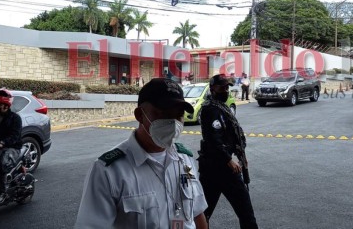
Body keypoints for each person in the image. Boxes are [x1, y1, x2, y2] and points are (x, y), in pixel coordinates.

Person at [75, 78, 208, 229]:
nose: (172, 122)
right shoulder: (109, 171)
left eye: (178, 115)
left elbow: (197, 213)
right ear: (140, 115)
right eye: (164, 114)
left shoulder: (185, 159)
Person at [198, 74, 258, 229]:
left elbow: (234, 135)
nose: (225, 91)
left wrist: (240, 154)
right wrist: (228, 160)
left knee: (245, 212)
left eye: (227, 87)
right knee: (203, 214)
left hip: (223, 167)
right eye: (222, 87)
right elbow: (213, 139)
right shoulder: (209, 109)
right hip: (215, 168)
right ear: (212, 89)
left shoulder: (223, 108)